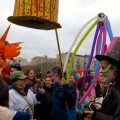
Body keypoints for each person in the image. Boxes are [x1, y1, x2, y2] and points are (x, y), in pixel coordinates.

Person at [85, 37, 120, 120]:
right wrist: (93, 111)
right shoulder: (113, 86)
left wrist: (96, 115)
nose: (101, 72)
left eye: (103, 68)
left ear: (114, 69)